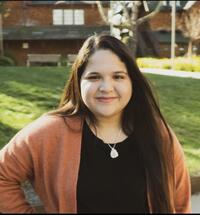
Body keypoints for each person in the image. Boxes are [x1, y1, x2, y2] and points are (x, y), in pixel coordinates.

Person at [0, 34, 191, 213]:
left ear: (132, 82)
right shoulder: (50, 131)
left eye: (118, 76)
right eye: (94, 77)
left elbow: (180, 204)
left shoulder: (157, 133)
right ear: (78, 82)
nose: (106, 88)